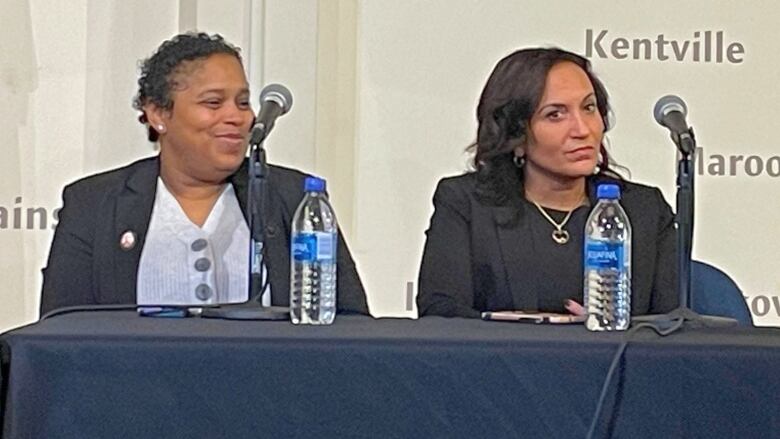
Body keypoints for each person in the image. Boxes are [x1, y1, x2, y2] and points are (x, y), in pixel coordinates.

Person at [40, 32, 369, 315]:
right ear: (158, 114)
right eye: (213, 103)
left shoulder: (293, 197)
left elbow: (351, 326)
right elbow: (60, 336)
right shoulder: (95, 204)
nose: (236, 117)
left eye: (242, 103)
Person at [417, 47, 678, 318]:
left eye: (589, 108)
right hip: (504, 360)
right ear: (515, 133)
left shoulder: (644, 210)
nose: (583, 130)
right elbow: (440, 312)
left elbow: (673, 328)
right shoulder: (467, 204)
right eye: (555, 114)